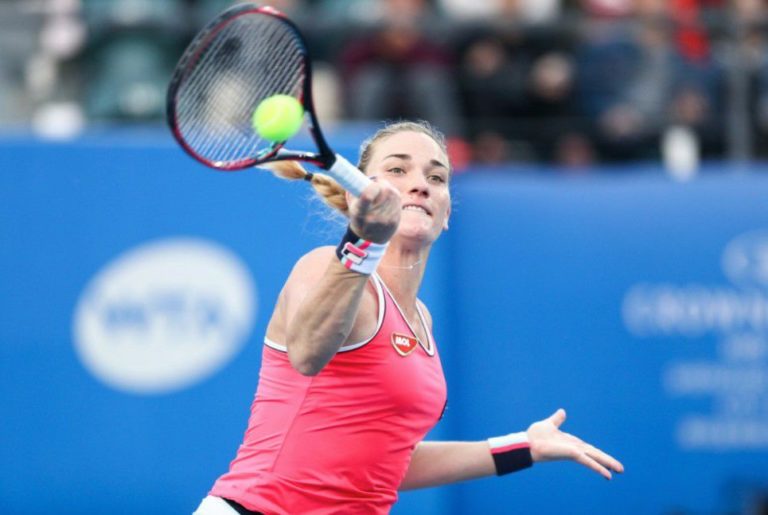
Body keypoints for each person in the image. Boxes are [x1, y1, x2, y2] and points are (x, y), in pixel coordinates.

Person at [193, 120, 624, 515]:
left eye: (436, 178)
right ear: (355, 196)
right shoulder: (324, 266)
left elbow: (388, 460)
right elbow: (306, 353)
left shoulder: (421, 321)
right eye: (397, 170)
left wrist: (523, 447)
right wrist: (362, 240)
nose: (419, 184)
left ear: (446, 213)